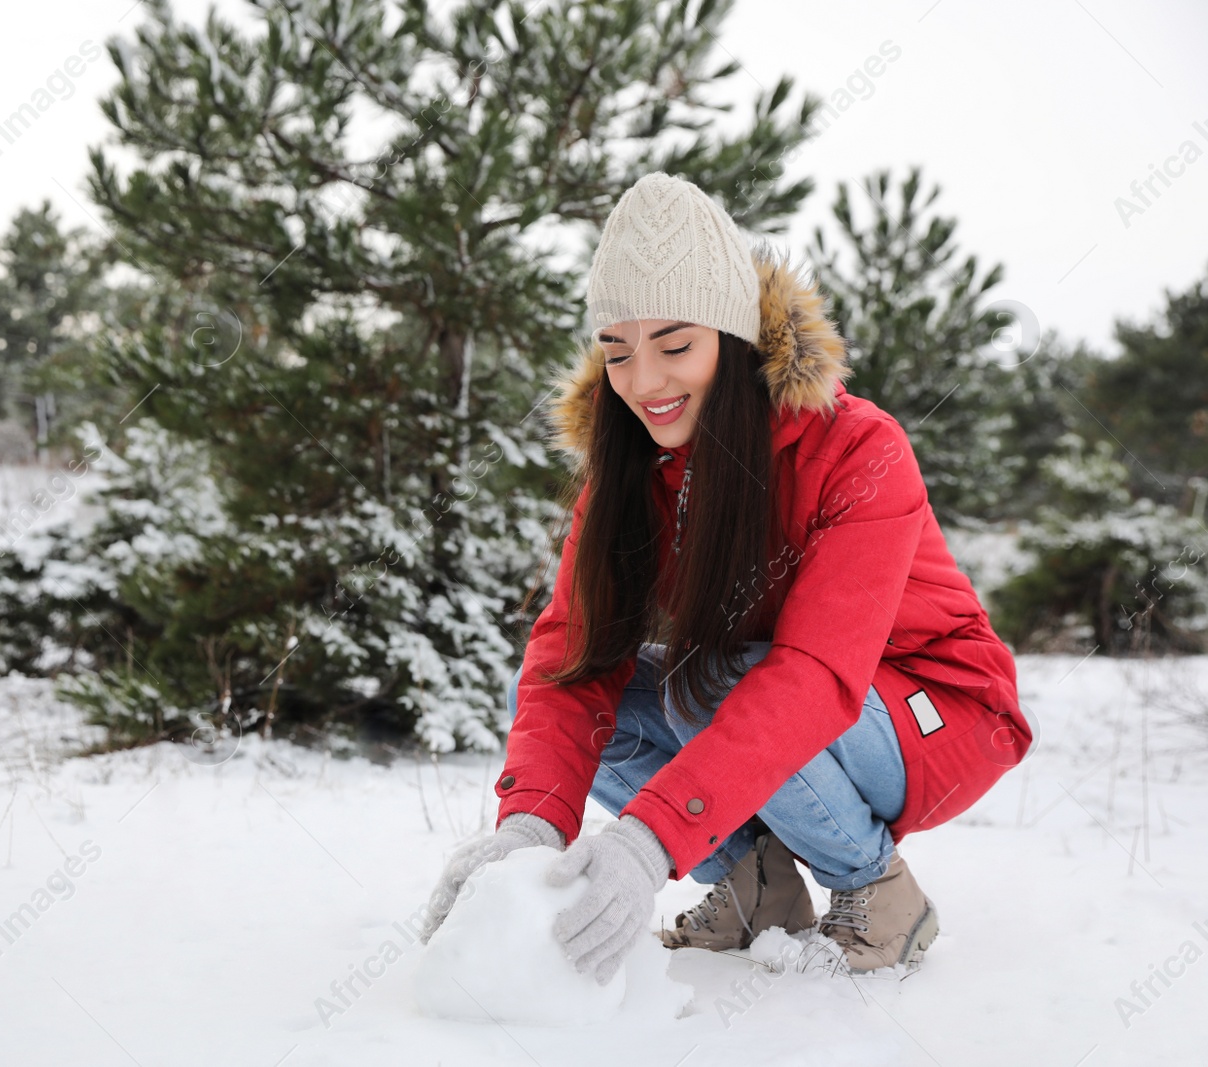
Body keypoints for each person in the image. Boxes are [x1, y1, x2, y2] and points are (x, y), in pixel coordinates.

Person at [416, 172, 1032, 986]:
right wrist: (528, 828)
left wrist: (649, 839)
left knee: (709, 686)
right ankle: (754, 887)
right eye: (616, 350)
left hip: (938, 705)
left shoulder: (857, 447)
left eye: (675, 345)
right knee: (586, 686)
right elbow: (570, 655)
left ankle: (880, 894)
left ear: (734, 339)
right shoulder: (630, 471)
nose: (643, 382)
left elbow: (813, 676)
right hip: (771, 696)